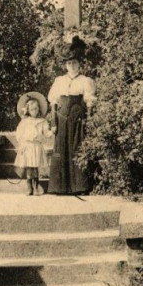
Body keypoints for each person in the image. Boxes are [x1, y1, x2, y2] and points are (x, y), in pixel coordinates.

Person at [47, 36, 96, 195]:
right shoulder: (59, 80)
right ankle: (60, 187)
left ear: (79, 64)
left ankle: (79, 187)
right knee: (61, 149)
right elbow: (53, 102)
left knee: (77, 148)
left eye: (74, 62)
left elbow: (89, 102)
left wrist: (88, 120)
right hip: (62, 118)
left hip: (77, 118)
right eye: (69, 63)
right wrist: (53, 122)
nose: (72, 65)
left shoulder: (85, 80)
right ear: (65, 65)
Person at [14, 92, 52, 195]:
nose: (34, 111)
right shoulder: (24, 122)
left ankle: (36, 187)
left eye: (36, 109)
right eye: (32, 109)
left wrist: (51, 132)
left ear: (39, 109)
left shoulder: (42, 121)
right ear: (28, 110)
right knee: (29, 167)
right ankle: (29, 187)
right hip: (28, 146)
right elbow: (19, 133)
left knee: (35, 167)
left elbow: (46, 132)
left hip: (36, 146)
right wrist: (21, 144)